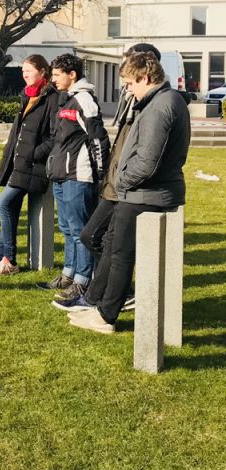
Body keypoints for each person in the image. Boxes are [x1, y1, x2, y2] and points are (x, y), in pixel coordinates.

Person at [68, 52, 190, 334]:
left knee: (121, 256)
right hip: (143, 193)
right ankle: (101, 309)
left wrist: (121, 181)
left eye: (130, 84)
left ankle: (107, 316)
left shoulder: (160, 106)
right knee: (113, 249)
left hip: (143, 195)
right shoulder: (162, 101)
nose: (128, 90)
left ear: (145, 78)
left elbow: (147, 162)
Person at [56, 44, 162, 313]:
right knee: (91, 235)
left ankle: (105, 292)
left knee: (102, 240)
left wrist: (107, 175)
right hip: (115, 184)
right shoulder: (135, 100)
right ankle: (104, 291)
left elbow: (102, 140)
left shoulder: (156, 104)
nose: (125, 84)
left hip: (123, 186)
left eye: (128, 78)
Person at [0, 55, 59, 275]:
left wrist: (34, 153)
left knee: (2, 204)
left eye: (29, 71)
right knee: (9, 206)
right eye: (23, 71)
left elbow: (54, 136)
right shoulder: (28, 95)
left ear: (43, 72)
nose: (24, 75)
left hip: (32, 166)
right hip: (18, 163)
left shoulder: (52, 98)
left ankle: (10, 259)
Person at [41, 54, 110, 300]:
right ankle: (68, 274)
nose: (53, 79)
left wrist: (101, 174)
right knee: (66, 227)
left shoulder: (84, 100)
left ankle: (82, 281)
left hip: (79, 176)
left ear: (72, 75)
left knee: (80, 229)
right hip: (61, 174)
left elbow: (98, 139)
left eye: (57, 74)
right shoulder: (65, 100)